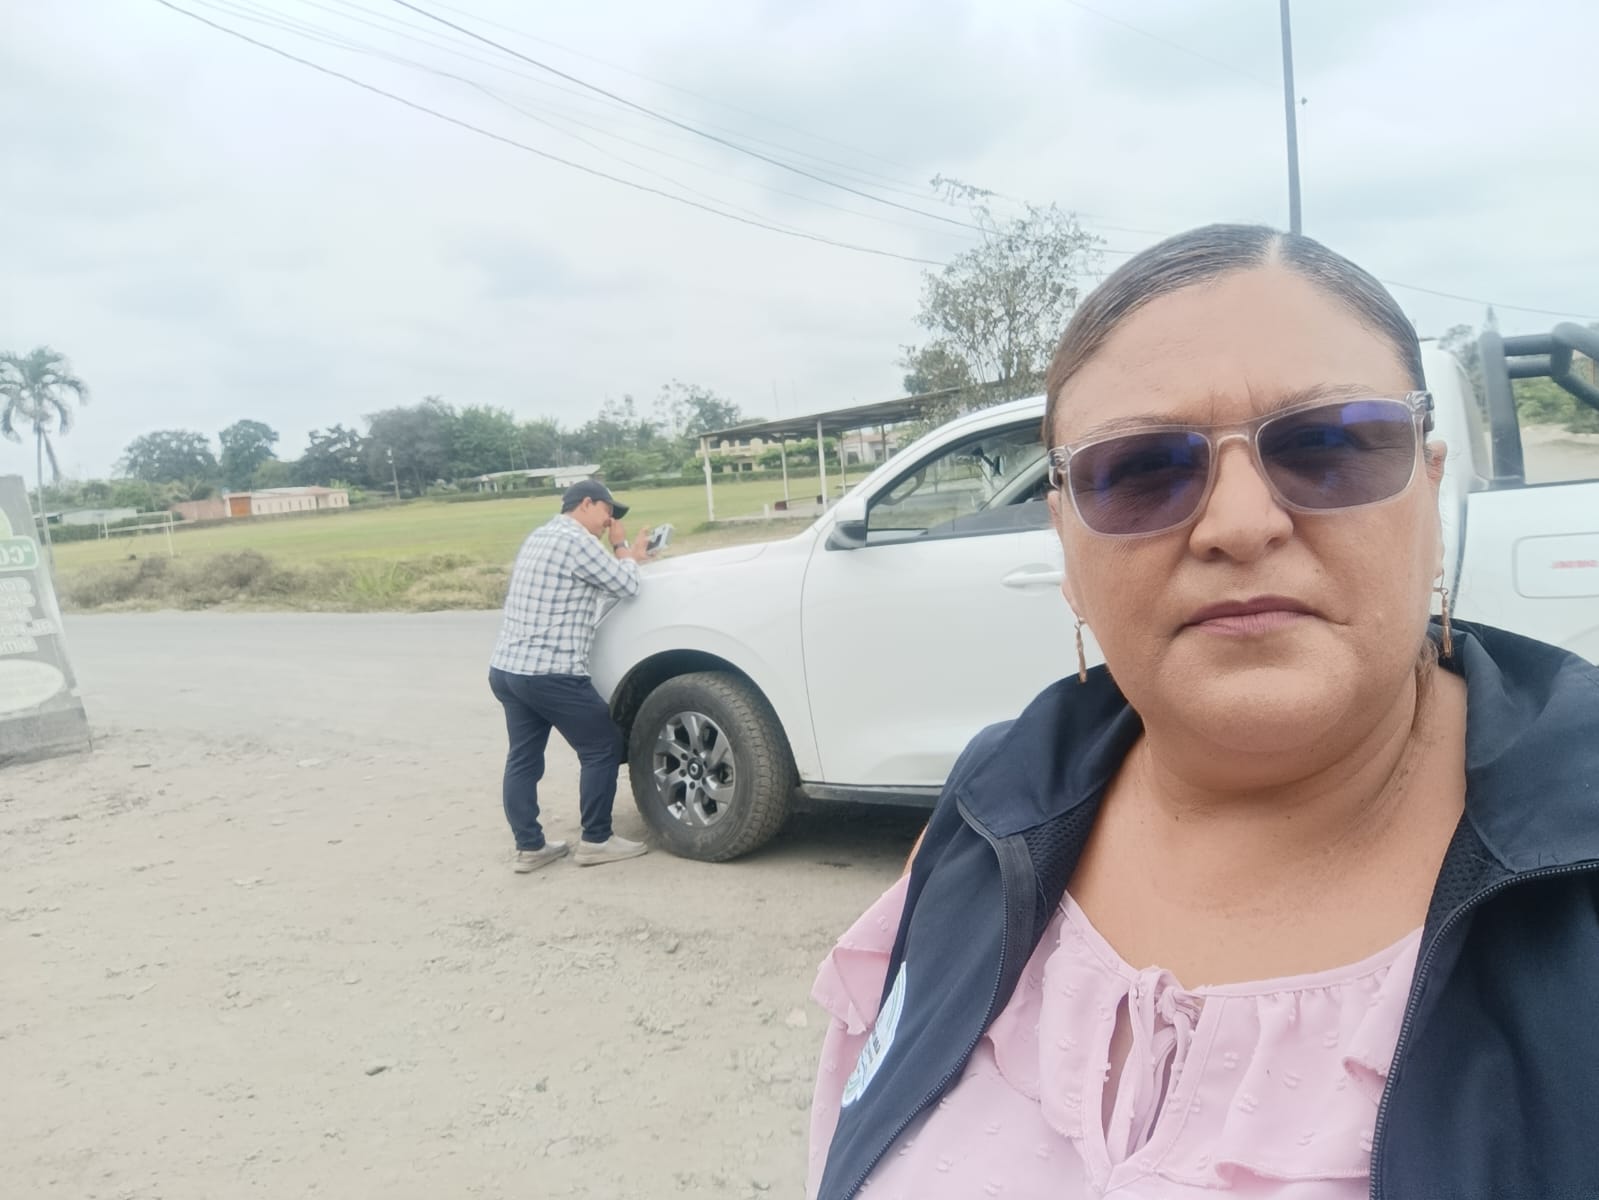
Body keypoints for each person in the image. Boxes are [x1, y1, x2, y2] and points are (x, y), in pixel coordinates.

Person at [807, 225, 1599, 1199]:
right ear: (1065, 544)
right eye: (1143, 470)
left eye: (1326, 446)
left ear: (1429, 492)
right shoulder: (988, 814)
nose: (1238, 524)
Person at [489, 479, 653, 872]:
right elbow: (627, 586)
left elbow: (593, 583)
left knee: (523, 758)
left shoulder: (541, 536)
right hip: (551, 673)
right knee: (602, 745)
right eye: (608, 512)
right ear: (585, 504)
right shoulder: (577, 541)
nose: (609, 521)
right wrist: (623, 549)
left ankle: (530, 847)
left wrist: (625, 557)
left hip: (508, 669)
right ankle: (596, 840)